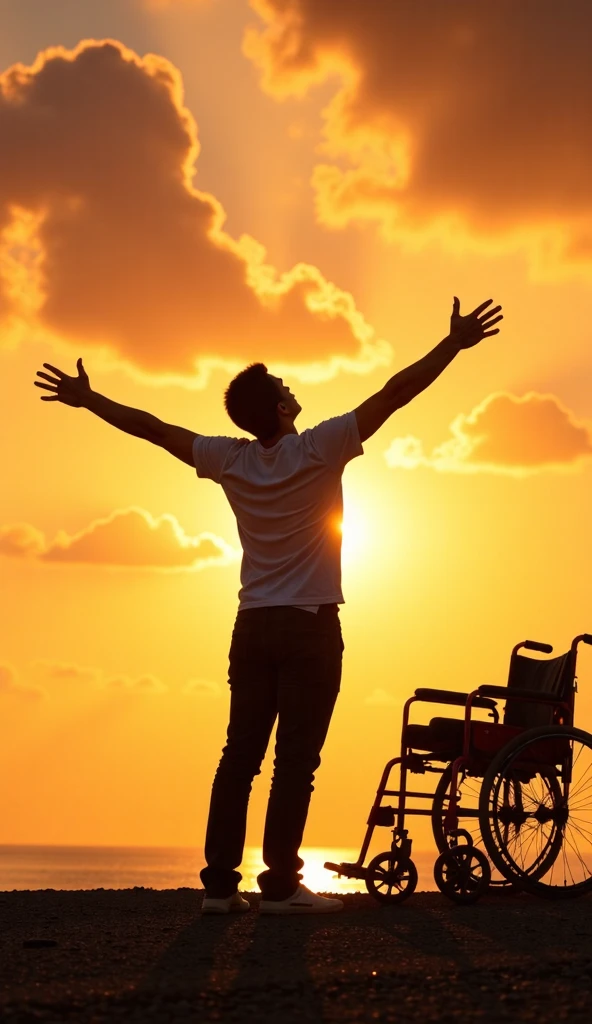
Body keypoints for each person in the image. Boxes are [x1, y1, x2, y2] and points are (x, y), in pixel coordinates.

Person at [34, 296, 502, 915]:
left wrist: (90, 400)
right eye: (285, 384)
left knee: (239, 758)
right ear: (281, 408)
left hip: (251, 627)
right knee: (294, 765)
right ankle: (280, 887)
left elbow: (152, 427)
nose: (291, 386)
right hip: (309, 628)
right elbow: (395, 393)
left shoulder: (229, 459)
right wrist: (453, 346)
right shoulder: (319, 448)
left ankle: (220, 889)